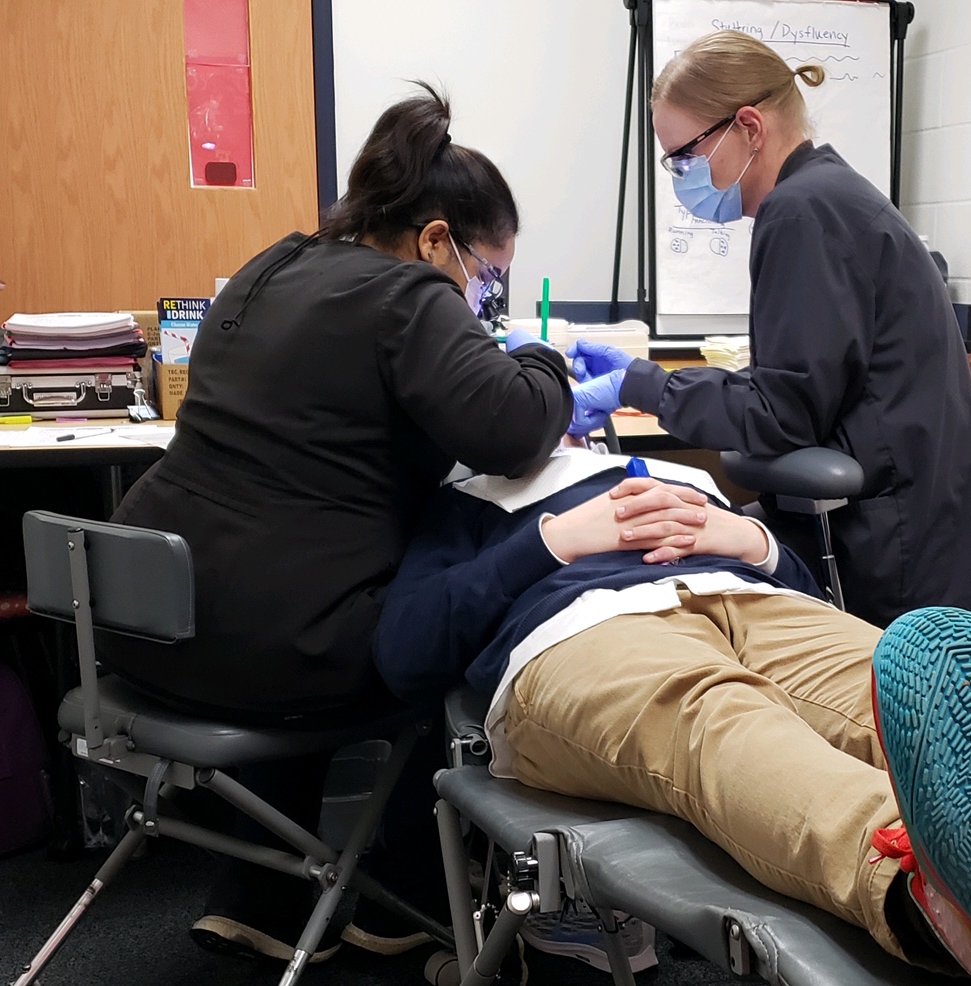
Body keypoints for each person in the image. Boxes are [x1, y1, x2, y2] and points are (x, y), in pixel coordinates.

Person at [378, 446, 971, 986]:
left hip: (745, 596)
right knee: (725, 726)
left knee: (905, 692)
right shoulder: (464, 501)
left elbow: (800, 581)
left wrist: (743, 537)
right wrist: (554, 540)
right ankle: (960, 904)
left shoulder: (658, 463)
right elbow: (407, 647)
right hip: (573, 637)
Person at [104, 84, 572, 963]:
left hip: (148, 626)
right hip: (273, 649)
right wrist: (544, 359)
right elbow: (512, 429)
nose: (485, 295)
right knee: (437, 630)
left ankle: (262, 895)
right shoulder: (409, 297)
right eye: (488, 274)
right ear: (436, 239)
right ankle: (407, 898)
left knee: (306, 585)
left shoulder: (272, 265)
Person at [563, 30, 971, 628]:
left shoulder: (802, 211)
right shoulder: (829, 194)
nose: (680, 176)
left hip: (885, 551)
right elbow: (796, 384)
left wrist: (637, 387)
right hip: (915, 531)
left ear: (748, 127)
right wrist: (645, 382)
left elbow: (780, 415)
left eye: (685, 156)